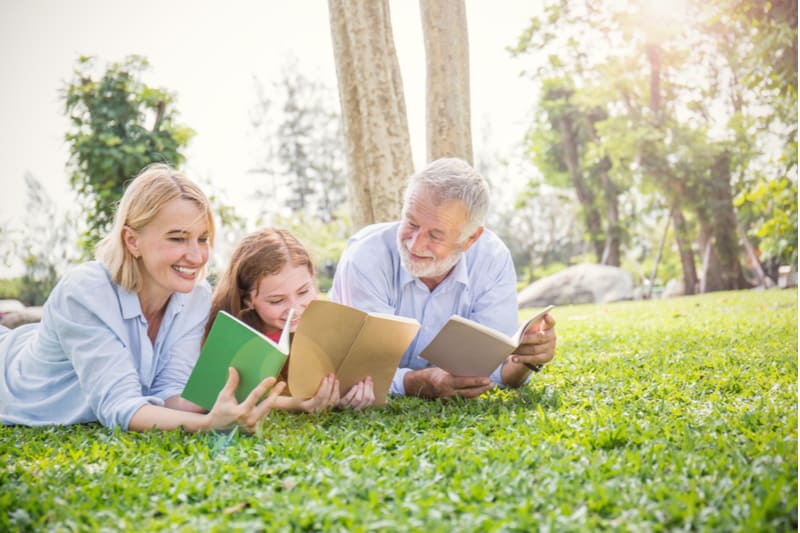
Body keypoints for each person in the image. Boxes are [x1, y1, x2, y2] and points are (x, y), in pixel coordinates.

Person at [0, 164, 284, 433]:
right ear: (132, 241)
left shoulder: (195, 296)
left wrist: (226, 403)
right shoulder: (85, 292)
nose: (197, 256)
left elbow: (170, 392)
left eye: (202, 238)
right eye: (177, 238)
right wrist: (209, 424)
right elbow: (120, 407)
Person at [330, 157, 557, 399]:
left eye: (435, 235)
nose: (415, 244)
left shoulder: (492, 260)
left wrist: (525, 361)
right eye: (411, 222)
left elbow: (493, 372)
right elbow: (358, 372)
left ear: (471, 239)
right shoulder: (366, 257)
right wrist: (417, 383)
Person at [206, 228, 375, 411]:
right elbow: (224, 392)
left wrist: (346, 394)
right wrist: (296, 404)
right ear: (248, 300)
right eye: (277, 300)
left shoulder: (325, 324)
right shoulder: (232, 332)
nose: (295, 310)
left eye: (303, 291)